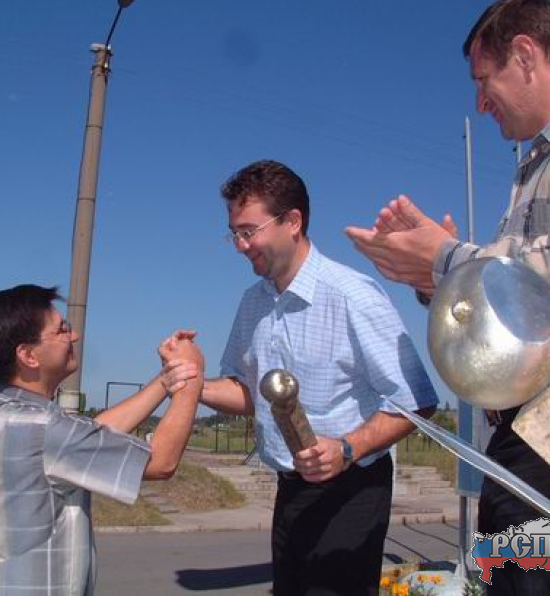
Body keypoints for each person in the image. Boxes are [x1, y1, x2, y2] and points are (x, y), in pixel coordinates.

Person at [345, 0, 550, 594]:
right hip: (528, 447)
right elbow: (522, 316)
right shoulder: (533, 170)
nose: (480, 102)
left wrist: (451, 259)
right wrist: (440, 280)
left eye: (483, 80)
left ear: (525, 55)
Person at [166, 160, 438, 596]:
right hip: (290, 490)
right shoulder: (253, 303)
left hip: (352, 489)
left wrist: (347, 449)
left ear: (292, 221)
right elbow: (249, 394)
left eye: (248, 231)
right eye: (234, 233)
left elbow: (416, 400)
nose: (240, 245)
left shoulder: (352, 295)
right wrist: (190, 379)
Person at [0, 284, 203, 596]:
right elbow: (161, 462)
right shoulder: (41, 426)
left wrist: (166, 380)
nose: (75, 336)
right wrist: (193, 375)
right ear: (28, 355)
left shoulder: (7, 410)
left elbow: (91, 433)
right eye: (62, 330)